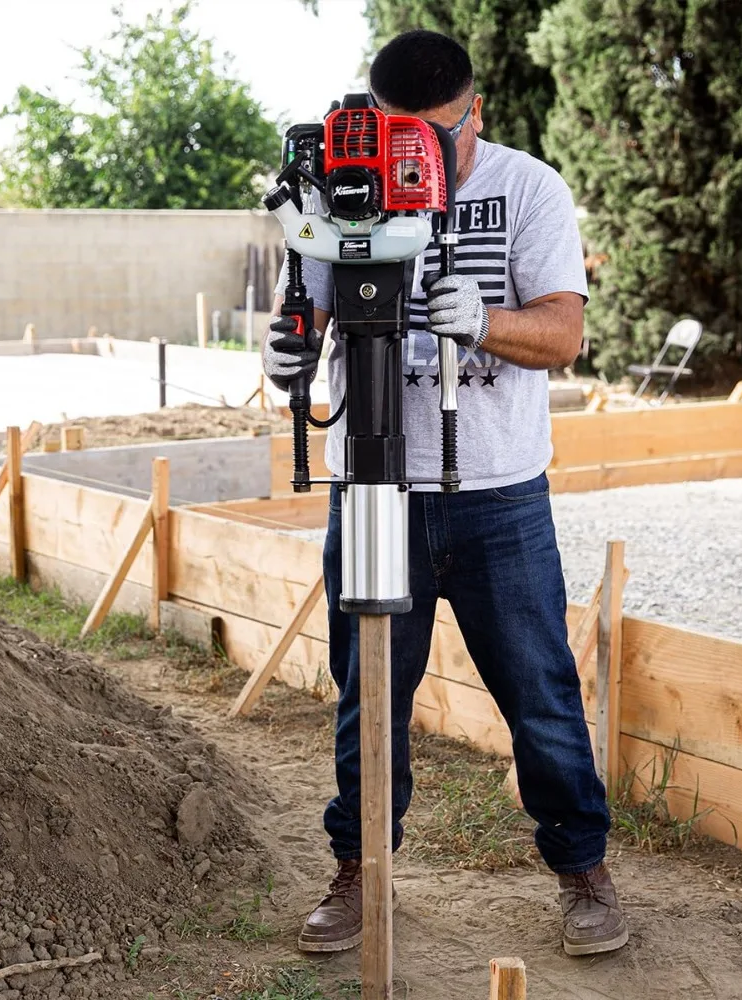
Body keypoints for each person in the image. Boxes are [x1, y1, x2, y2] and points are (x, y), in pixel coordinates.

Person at [263, 28, 628, 959]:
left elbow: (562, 336)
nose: (414, 159)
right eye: (398, 139)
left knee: (541, 694)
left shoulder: (529, 187)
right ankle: (360, 868)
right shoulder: (336, 181)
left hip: (496, 494)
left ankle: (582, 868)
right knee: (367, 693)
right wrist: (284, 356)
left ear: (477, 114)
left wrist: (486, 322)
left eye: (436, 140)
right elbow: (302, 305)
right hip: (374, 489)